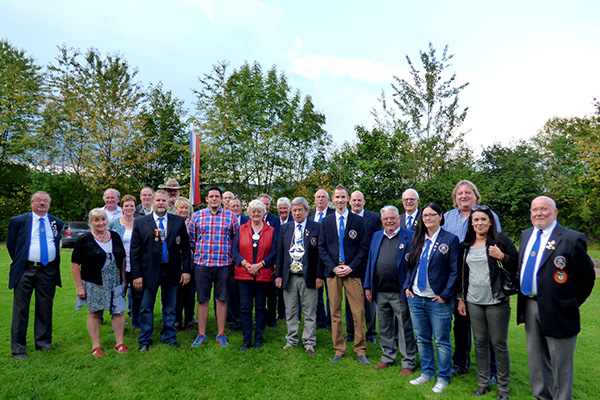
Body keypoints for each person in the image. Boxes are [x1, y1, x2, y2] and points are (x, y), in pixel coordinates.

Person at [517, 196, 595, 400]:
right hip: (530, 305)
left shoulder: (571, 238)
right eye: (535, 210)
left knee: (561, 364)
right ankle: (542, 397)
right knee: (536, 361)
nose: (539, 213)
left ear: (555, 212)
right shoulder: (526, 235)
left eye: (544, 209)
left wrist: (569, 303)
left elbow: (586, 278)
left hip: (559, 310)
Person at [457, 205, 518, 399]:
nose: (479, 223)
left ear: (490, 221)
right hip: (473, 301)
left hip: (496, 300)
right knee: (480, 343)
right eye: (475, 220)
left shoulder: (501, 241)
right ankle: (483, 384)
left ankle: (503, 387)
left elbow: (519, 263)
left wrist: (503, 256)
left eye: (483, 219)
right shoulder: (466, 245)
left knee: (499, 344)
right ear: (471, 223)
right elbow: (462, 274)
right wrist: (461, 298)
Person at [443, 180, 502, 377]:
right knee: (460, 322)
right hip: (455, 274)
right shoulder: (448, 217)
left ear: (476, 196)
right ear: (455, 198)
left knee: (487, 326)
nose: (463, 196)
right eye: (459, 193)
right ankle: (460, 362)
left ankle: (492, 370)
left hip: (480, 275)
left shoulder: (488, 215)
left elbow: (497, 243)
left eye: (468, 193)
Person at [405, 203, 460, 394]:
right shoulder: (418, 238)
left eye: (432, 215)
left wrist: (445, 295)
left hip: (438, 300)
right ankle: (427, 373)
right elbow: (410, 265)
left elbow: (455, 270)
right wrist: (407, 286)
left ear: (440, 216)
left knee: (442, 341)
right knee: (422, 338)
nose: (427, 218)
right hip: (416, 297)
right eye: (425, 215)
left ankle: (443, 376)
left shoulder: (450, 239)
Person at [130, 190, 192, 352]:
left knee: (170, 307)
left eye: (163, 200)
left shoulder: (177, 221)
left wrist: (186, 271)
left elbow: (185, 250)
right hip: (148, 272)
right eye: (157, 200)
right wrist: (136, 275)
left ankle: (169, 337)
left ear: (168, 202)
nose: (160, 203)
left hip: (172, 271)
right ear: (152, 202)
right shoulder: (141, 222)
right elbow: (134, 252)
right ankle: (145, 339)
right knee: (146, 307)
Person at [318, 184, 370, 366]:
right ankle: (339, 350)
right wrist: (333, 267)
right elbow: (322, 247)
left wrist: (351, 267)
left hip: (352, 272)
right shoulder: (326, 221)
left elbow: (364, 247)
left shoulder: (358, 221)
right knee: (335, 312)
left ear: (348, 199)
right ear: (332, 199)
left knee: (358, 311)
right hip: (333, 273)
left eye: (343, 197)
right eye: (337, 197)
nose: (340, 200)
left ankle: (360, 350)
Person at [8, 191, 63, 360]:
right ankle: (18, 349)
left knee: (45, 308)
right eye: (39, 201)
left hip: (47, 271)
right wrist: (23, 261)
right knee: (21, 309)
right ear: (32, 203)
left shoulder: (55, 222)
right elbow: (11, 245)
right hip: (25, 270)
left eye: (45, 201)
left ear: (49, 204)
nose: (42, 204)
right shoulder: (19, 221)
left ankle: (43, 344)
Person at [363, 205, 417, 374]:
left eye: (392, 218)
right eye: (386, 219)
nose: (389, 221)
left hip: (399, 290)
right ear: (381, 221)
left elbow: (414, 265)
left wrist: (409, 286)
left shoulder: (410, 236)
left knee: (404, 326)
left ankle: (408, 361)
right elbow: (371, 262)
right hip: (380, 289)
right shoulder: (376, 236)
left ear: (399, 218)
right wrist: (368, 286)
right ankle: (388, 357)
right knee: (384, 326)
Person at [71, 208, 128, 356]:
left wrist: (123, 279)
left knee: (119, 312)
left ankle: (120, 344)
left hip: (115, 281)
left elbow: (122, 258)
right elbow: (75, 264)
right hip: (94, 282)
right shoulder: (84, 239)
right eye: (96, 220)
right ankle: (96, 346)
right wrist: (79, 287)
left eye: (103, 219)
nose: (100, 223)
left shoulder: (115, 236)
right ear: (91, 222)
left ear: (107, 221)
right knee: (94, 313)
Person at [188, 187, 239, 347]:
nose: (214, 199)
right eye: (211, 196)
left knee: (222, 299)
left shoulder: (231, 217)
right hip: (202, 265)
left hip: (223, 264)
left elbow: (235, 240)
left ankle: (220, 333)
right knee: (202, 299)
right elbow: (191, 240)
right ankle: (201, 333)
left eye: (217, 196)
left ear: (222, 199)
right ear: (207, 199)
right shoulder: (197, 216)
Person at [275, 197, 324, 356]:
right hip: (289, 277)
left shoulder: (317, 227)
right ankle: (291, 340)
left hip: (308, 277)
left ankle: (309, 342)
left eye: (299, 210)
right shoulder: (285, 228)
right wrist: (278, 275)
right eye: (294, 210)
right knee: (291, 311)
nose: (296, 213)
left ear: (306, 211)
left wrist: (319, 276)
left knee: (310, 311)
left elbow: (320, 254)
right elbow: (280, 253)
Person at [232, 200, 278, 350]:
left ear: (264, 212)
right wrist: (246, 265)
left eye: (259, 211)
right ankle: (246, 340)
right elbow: (235, 252)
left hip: (263, 274)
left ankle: (259, 339)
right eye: (253, 211)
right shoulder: (241, 229)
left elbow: (274, 252)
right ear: (249, 213)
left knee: (260, 307)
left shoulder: (270, 230)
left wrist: (260, 265)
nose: (256, 214)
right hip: (244, 274)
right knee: (245, 308)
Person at [345, 190, 380, 344]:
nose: (357, 203)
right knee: (349, 301)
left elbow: (378, 240)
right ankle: (351, 333)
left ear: (364, 202)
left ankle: (371, 333)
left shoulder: (374, 218)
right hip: (350, 267)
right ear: (349, 202)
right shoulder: (345, 219)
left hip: (367, 266)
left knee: (368, 300)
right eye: (354, 200)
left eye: (359, 200)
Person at [108, 195, 141, 330]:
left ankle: (136, 321)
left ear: (135, 208)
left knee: (137, 295)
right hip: (118, 265)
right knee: (117, 294)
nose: (129, 208)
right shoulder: (114, 224)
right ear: (122, 208)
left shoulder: (140, 222)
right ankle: (117, 322)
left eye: (131, 206)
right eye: (126, 206)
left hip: (136, 265)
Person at [308, 188, 335, 330]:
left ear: (328, 200)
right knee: (316, 292)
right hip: (314, 260)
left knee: (331, 294)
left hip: (330, 259)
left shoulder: (333, 214)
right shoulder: (310, 215)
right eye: (318, 197)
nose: (320, 199)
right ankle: (320, 320)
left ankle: (331, 322)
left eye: (323, 197)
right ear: (314, 199)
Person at [258, 193, 282, 327]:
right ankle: (259, 317)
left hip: (271, 262)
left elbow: (277, 242)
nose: (265, 206)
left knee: (272, 292)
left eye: (267, 204)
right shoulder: (251, 219)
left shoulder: (276, 220)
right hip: (256, 262)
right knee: (258, 293)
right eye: (263, 203)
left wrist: (274, 262)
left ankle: (272, 318)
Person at [173, 197, 196, 331]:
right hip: (175, 263)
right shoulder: (172, 222)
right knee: (176, 293)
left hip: (191, 263)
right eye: (181, 208)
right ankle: (176, 320)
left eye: (186, 208)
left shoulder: (193, 223)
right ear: (176, 209)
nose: (184, 210)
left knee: (190, 293)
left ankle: (189, 320)